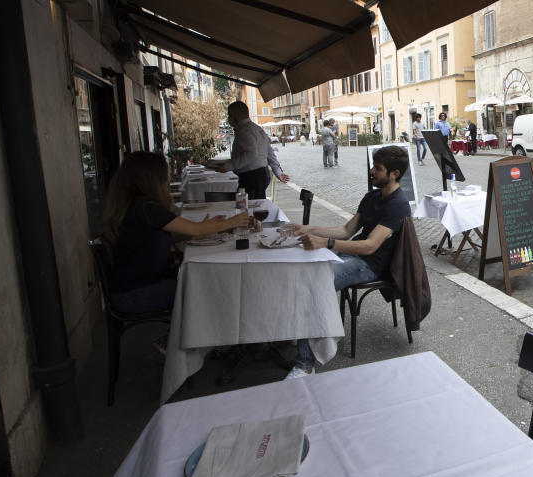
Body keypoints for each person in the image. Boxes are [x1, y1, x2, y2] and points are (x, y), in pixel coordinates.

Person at [283, 146, 412, 378]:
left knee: (315, 281)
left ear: (395, 174)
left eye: (378, 168)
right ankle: (305, 329)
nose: (372, 171)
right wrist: (308, 228)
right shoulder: (372, 196)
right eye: (373, 166)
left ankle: (305, 363)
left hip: (370, 265)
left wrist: (326, 243)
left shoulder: (398, 204)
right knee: (301, 267)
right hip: (353, 254)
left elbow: (370, 246)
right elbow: (346, 230)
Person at [103, 152, 248, 313]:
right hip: (136, 294)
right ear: (152, 179)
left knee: (207, 284)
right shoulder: (147, 208)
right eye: (165, 175)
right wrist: (233, 221)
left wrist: (211, 227)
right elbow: (194, 229)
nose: (168, 179)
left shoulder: (136, 206)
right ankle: (200, 336)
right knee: (212, 290)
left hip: (130, 289)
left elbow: (170, 236)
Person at [224, 101, 290, 198]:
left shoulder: (245, 131)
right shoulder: (256, 128)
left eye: (230, 115)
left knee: (250, 207)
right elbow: (269, 151)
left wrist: (229, 166)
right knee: (255, 205)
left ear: (237, 115)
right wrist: (277, 171)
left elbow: (251, 155)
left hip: (251, 177)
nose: (229, 118)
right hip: (260, 174)